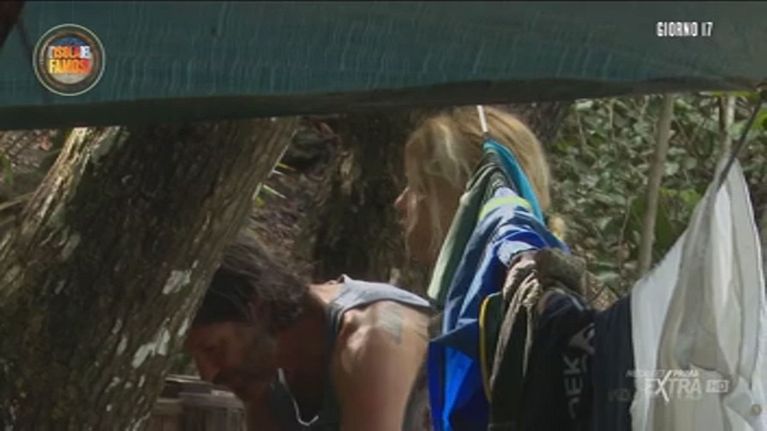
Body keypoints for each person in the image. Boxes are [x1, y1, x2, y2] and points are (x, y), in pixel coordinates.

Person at [393, 106, 592, 431]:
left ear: (454, 194)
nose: (400, 202)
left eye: (416, 186)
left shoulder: (508, 307)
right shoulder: (467, 307)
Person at [185, 230, 433, 431]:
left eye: (212, 348)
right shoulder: (266, 373)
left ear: (257, 306)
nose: (207, 373)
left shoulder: (371, 341)